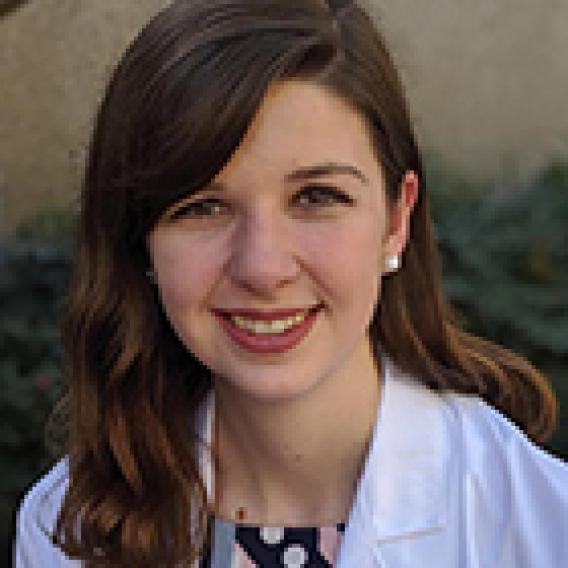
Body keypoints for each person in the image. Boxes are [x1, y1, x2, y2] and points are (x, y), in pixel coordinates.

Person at [14, 0, 568, 566]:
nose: (262, 268)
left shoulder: (545, 527)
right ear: (140, 241)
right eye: (202, 207)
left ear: (396, 220)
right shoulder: (62, 529)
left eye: (316, 197)